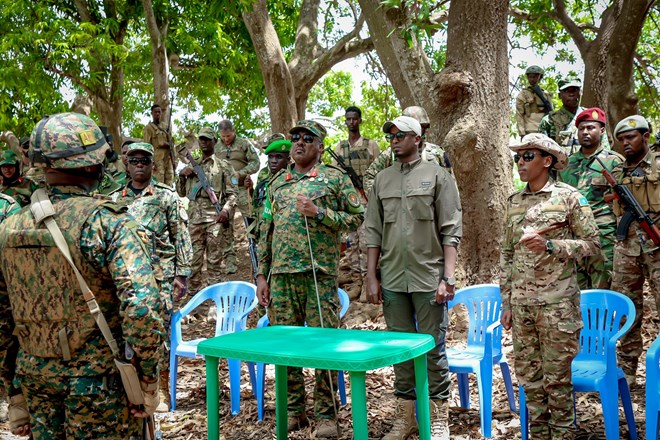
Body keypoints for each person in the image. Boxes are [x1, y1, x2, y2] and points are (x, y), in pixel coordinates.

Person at [0, 112, 164, 438]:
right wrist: (147, 380)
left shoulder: (9, 226)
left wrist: (14, 389)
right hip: (101, 385)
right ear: (91, 166)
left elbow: (3, 318)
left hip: (35, 379)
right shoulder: (110, 223)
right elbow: (142, 309)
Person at [256, 120, 364, 438]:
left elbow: (358, 217)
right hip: (282, 278)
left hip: (319, 276)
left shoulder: (334, 178)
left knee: (324, 347)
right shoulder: (277, 183)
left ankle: (326, 415)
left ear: (320, 146)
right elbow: (265, 231)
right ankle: (294, 411)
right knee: (285, 346)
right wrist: (261, 275)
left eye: (307, 138)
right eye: (295, 138)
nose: (299, 142)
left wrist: (319, 213)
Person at [364, 116, 461, 440]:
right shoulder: (382, 179)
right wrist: (371, 276)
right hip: (393, 279)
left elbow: (451, 230)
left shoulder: (437, 176)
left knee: (433, 348)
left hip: (429, 278)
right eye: (391, 135)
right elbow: (373, 230)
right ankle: (404, 419)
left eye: (400, 135)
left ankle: (438, 418)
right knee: (399, 349)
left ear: (417, 139)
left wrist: (448, 278)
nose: (394, 140)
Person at [500, 133, 600, 439]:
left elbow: (592, 245)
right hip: (522, 306)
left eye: (528, 156)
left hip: (557, 305)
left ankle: (563, 435)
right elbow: (507, 254)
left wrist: (551, 245)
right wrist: (507, 302)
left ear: (547, 161)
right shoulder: (514, 201)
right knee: (530, 381)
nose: (520, 162)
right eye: (518, 157)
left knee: (557, 382)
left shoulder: (569, 197)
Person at [111, 141, 192, 412]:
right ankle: (131, 390)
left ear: (153, 165)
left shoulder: (166, 196)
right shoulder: (114, 198)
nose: (139, 165)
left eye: (144, 161)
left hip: (160, 278)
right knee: (124, 333)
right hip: (123, 278)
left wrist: (182, 274)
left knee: (161, 334)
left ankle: (160, 391)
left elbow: (180, 235)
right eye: (134, 160)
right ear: (126, 164)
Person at [609, 115, 660, 387]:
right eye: (621, 139)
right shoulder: (617, 171)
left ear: (645, 137)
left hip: (657, 246)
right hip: (626, 249)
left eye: (631, 137)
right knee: (627, 310)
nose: (626, 142)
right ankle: (626, 371)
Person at [558, 108, 623, 289]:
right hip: (573, 236)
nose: (585, 132)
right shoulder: (567, 164)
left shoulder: (613, 161)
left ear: (601, 130)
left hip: (602, 234)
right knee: (576, 288)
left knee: (603, 286)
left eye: (590, 128)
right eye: (581, 128)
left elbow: (622, 201)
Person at [177, 127, 236, 298]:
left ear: (215, 141)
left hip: (214, 219)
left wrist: (225, 210)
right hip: (194, 219)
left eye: (207, 139)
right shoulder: (191, 165)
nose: (204, 142)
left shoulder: (224, 166)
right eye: (201, 139)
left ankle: (214, 297)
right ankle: (194, 297)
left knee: (214, 260)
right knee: (193, 260)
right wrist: (181, 176)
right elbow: (181, 193)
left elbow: (233, 194)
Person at [334, 106, 380, 297]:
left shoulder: (371, 145)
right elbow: (336, 175)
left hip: (367, 199)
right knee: (351, 243)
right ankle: (356, 282)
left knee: (367, 242)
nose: (351, 122)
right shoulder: (340, 147)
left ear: (360, 120)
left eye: (354, 119)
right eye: (348, 119)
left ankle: (369, 281)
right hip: (348, 202)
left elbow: (379, 172)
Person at [363, 105, 451, 195]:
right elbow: (369, 177)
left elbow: (449, 184)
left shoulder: (437, 153)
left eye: (422, 126)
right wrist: (382, 198)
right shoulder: (390, 154)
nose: (420, 129)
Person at [216, 119, 260, 275]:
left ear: (233, 131)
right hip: (225, 191)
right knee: (226, 225)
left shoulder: (244, 144)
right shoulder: (216, 147)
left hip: (241, 188)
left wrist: (240, 173)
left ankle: (257, 253)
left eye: (228, 136)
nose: (226, 139)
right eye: (223, 136)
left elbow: (256, 163)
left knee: (251, 220)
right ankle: (230, 262)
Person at [249, 133, 291, 244]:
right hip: (263, 235)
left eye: (278, 156)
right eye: (271, 156)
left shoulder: (293, 179)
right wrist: (252, 234)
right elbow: (256, 205)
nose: (273, 160)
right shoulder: (263, 176)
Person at [515, 65, 553, 137]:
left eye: (535, 77)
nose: (532, 79)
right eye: (530, 77)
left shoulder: (545, 94)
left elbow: (551, 113)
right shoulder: (523, 94)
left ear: (540, 77)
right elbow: (519, 115)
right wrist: (522, 133)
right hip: (529, 130)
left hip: (544, 130)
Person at [143, 103, 175, 186]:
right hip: (157, 160)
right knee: (158, 182)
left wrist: (174, 159)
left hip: (168, 158)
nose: (157, 114)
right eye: (155, 112)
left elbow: (171, 143)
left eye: (159, 112)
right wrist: (150, 162)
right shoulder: (149, 128)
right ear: (152, 113)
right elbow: (146, 146)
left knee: (169, 180)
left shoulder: (165, 126)